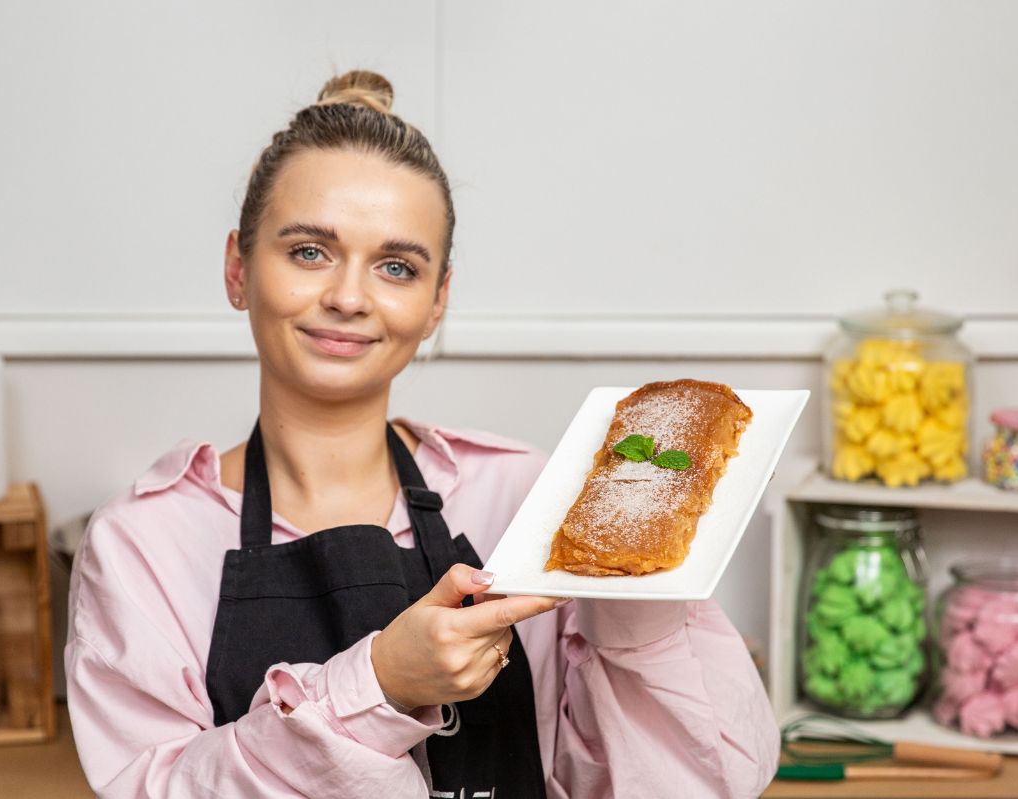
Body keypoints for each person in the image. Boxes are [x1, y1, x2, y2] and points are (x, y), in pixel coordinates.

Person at [66, 70, 780, 798]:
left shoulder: (527, 498)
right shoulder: (143, 546)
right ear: (237, 269)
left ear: (437, 301)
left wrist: (642, 601)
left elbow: (699, 783)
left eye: (396, 266)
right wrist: (378, 688)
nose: (348, 296)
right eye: (309, 251)